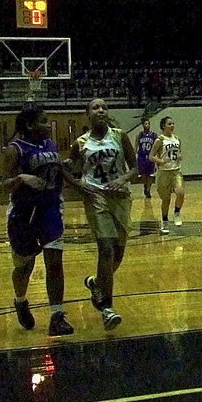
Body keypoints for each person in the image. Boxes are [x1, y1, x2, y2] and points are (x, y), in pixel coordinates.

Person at [3, 104, 74, 336]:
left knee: (54, 261)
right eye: (44, 121)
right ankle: (20, 300)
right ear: (30, 125)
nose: (48, 125)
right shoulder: (15, 149)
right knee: (25, 266)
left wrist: (76, 178)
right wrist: (22, 178)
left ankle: (57, 315)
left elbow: (56, 172)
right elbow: (2, 184)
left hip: (51, 208)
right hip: (24, 213)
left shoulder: (50, 145)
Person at [70, 97, 136, 330]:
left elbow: (136, 167)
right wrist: (79, 185)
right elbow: (66, 169)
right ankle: (107, 308)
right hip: (96, 196)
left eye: (104, 107)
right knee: (106, 248)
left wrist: (123, 177)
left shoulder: (120, 136)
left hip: (120, 197)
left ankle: (96, 284)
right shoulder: (80, 143)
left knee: (117, 254)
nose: (101, 110)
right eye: (95, 107)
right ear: (87, 114)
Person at [149, 115, 184, 234]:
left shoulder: (177, 139)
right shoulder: (160, 140)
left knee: (180, 192)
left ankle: (177, 212)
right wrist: (161, 161)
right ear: (163, 126)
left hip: (176, 170)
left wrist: (180, 156)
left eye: (173, 123)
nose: (172, 126)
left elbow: (179, 152)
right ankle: (164, 221)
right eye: (169, 124)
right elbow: (151, 156)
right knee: (166, 199)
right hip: (163, 172)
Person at [136, 119, 157, 199]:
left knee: (151, 175)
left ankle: (148, 189)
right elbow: (136, 146)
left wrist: (157, 157)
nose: (147, 125)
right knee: (143, 175)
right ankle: (145, 185)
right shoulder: (140, 135)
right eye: (146, 123)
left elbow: (157, 147)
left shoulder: (154, 135)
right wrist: (135, 156)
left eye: (148, 123)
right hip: (141, 157)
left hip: (150, 156)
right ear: (143, 125)